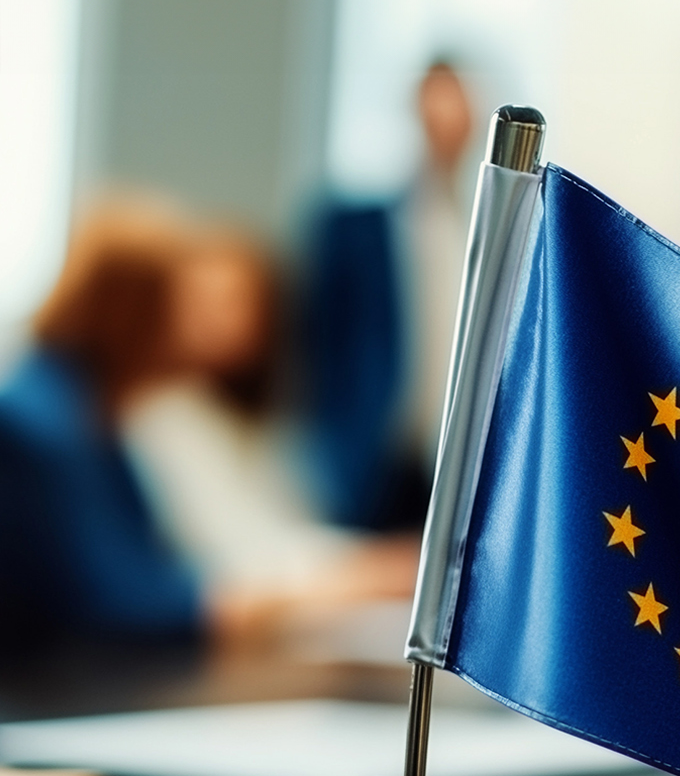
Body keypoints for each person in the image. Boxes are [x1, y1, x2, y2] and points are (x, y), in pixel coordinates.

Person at [120, 224, 417, 616]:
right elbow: (233, 553)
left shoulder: (251, 415)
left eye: (237, 302)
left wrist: (370, 563)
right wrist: (367, 570)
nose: (214, 320)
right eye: (199, 300)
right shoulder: (161, 415)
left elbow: (285, 524)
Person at [0, 202, 204, 647]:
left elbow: (152, 564)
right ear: (135, 314)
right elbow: (114, 601)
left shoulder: (90, 411)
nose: (197, 330)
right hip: (47, 692)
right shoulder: (38, 425)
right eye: (184, 307)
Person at [303, 59, 476, 528]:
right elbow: (314, 348)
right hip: (372, 460)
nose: (446, 119)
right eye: (436, 102)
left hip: (460, 461)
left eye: (459, 104)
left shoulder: (488, 232)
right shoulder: (354, 228)